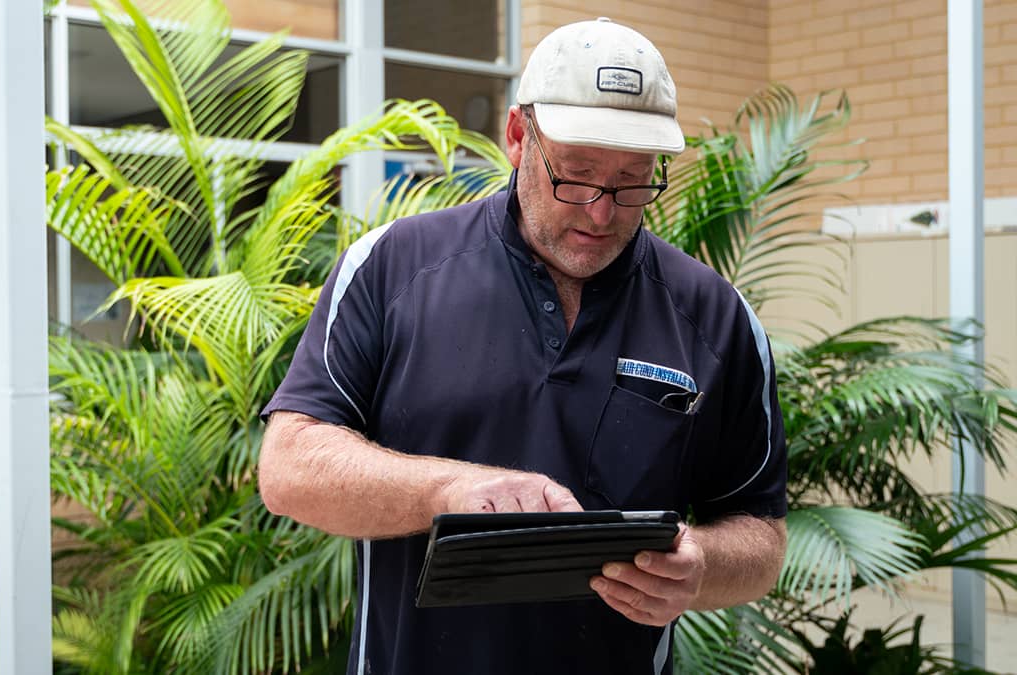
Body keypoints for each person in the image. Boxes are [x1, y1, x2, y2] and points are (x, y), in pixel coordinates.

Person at [258, 17, 787, 675]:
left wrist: (703, 565)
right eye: (576, 174)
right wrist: (445, 488)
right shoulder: (391, 268)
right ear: (517, 137)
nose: (600, 210)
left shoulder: (714, 316)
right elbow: (289, 468)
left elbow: (760, 532)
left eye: (631, 182)